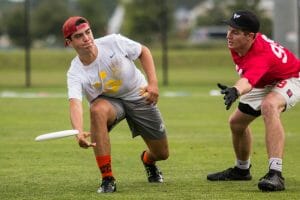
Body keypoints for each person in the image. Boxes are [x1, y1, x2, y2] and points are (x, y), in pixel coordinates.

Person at [62, 16, 169, 193]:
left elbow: (144, 51)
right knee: (96, 110)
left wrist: (153, 84)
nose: (86, 38)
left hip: (139, 94)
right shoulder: (75, 71)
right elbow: (75, 103)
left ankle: (148, 160)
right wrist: (78, 132)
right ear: (69, 42)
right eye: (79, 36)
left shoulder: (114, 42)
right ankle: (107, 179)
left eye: (88, 32)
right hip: (109, 103)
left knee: (162, 154)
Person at [207, 10, 300, 192]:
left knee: (269, 106)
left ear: (250, 36)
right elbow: (251, 75)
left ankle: (275, 173)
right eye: (229, 29)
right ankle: (242, 170)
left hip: (291, 77)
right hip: (266, 80)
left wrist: (236, 90)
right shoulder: (239, 44)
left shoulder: (260, 54)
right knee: (236, 123)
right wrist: (239, 87)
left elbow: (249, 80)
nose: (229, 35)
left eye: (235, 32)